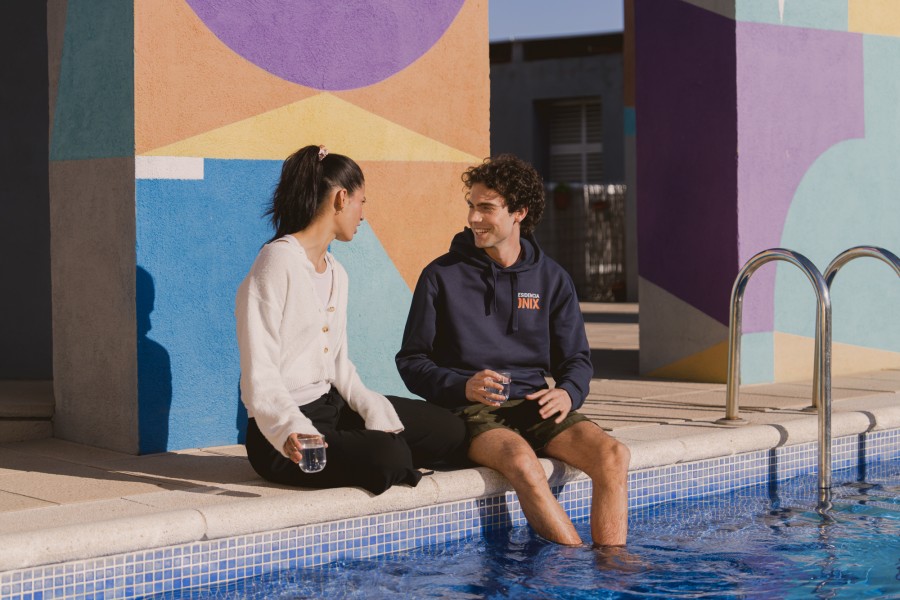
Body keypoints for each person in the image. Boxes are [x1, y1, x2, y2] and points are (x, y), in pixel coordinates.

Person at [395, 154, 630, 547]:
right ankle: (574, 566)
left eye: (486, 208)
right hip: (471, 409)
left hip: (535, 405)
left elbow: (576, 359)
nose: (474, 218)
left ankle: (611, 567)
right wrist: (462, 385)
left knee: (614, 455)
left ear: (519, 212)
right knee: (523, 462)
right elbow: (412, 361)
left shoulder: (552, 279)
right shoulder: (441, 275)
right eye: (471, 205)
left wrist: (568, 392)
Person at [235, 144, 467, 495]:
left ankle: (369, 446)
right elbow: (259, 373)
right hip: (285, 437)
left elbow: (339, 364)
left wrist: (372, 407)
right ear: (341, 198)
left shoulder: (336, 272)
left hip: (332, 407)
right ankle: (377, 451)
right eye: (361, 202)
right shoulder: (276, 262)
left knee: (449, 430)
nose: (362, 215)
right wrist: (290, 428)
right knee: (388, 456)